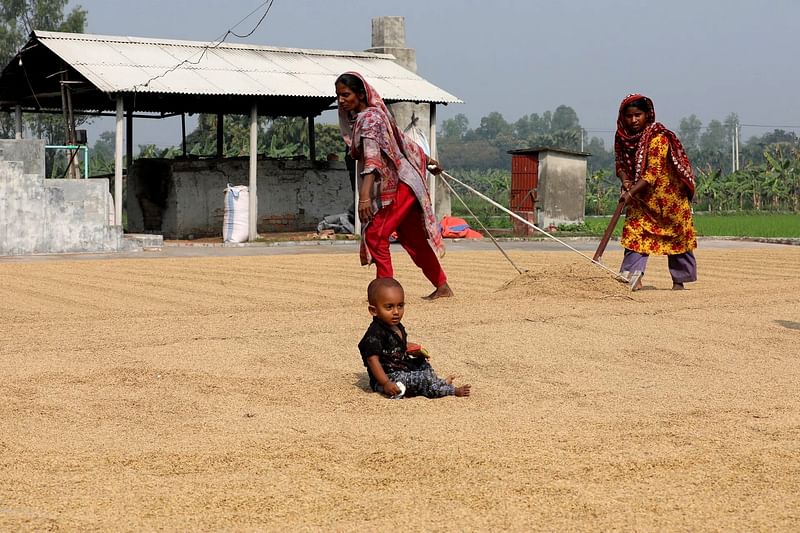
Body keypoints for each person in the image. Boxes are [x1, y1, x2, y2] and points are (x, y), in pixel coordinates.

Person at [336, 71, 453, 300]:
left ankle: (385, 295)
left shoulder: (369, 120)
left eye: (346, 94)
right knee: (412, 238)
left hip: (400, 185)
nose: (341, 100)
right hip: (407, 182)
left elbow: (372, 159)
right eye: (339, 95)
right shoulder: (377, 116)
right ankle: (442, 287)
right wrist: (428, 161)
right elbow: (401, 139)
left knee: (376, 237)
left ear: (361, 94)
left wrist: (364, 197)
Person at [614, 94, 698, 291]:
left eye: (638, 115)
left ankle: (679, 281)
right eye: (629, 116)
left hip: (670, 199)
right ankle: (633, 278)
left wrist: (629, 193)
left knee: (677, 237)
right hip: (642, 197)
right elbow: (620, 163)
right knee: (635, 234)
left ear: (647, 115)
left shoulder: (658, 138)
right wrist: (625, 180)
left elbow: (652, 174)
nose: (633, 120)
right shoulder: (622, 137)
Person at [358, 277, 471, 399]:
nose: (396, 312)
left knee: (423, 364)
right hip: (390, 377)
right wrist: (385, 383)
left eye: (400, 306)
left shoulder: (396, 325)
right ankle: (451, 391)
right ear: (373, 310)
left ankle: (438, 384)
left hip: (403, 368)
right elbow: (372, 360)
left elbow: (397, 346)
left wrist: (413, 349)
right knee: (421, 379)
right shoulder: (374, 333)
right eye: (389, 307)